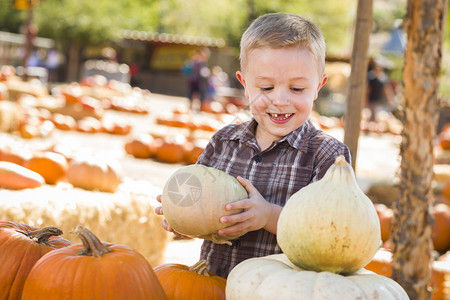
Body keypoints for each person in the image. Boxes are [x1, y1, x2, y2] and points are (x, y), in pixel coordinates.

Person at [155, 13, 351, 278]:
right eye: (266, 87)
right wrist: (182, 215)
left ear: (318, 86)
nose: (280, 100)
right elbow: (200, 207)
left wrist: (268, 216)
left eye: (296, 89)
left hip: (283, 291)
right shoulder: (223, 142)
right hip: (213, 286)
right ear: (245, 85)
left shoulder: (328, 156)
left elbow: (333, 235)